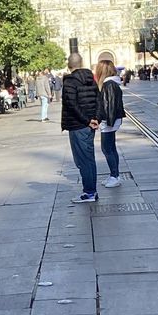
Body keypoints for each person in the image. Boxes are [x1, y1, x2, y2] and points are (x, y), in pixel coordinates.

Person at [60, 52, 102, 204]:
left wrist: (86, 121)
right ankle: (92, 190)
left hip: (78, 125)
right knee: (89, 159)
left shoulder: (70, 81)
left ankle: (89, 192)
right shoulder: (91, 78)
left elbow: (72, 105)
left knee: (83, 160)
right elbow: (99, 100)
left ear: (69, 65)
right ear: (82, 62)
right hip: (89, 126)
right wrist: (95, 119)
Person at [96, 60, 125, 186]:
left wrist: (107, 121)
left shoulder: (109, 85)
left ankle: (115, 176)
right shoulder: (112, 83)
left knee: (107, 148)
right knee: (111, 148)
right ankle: (114, 175)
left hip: (109, 120)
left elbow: (110, 105)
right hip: (111, 120)